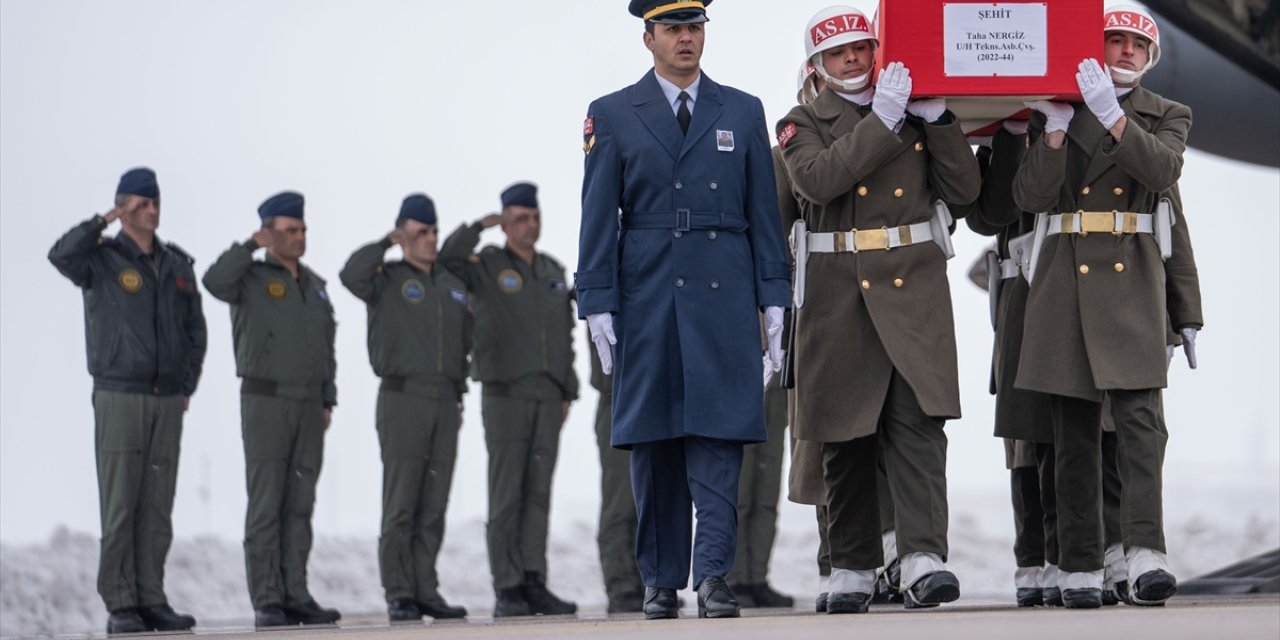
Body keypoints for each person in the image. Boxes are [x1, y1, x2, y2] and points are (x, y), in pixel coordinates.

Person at [576, 0, 792, 620]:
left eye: (694, 28)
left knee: (721, 437)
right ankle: (660, 579)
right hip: (645, 294)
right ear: (648, 38)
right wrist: (595, 301)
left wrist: (773, 297)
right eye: (672, 29)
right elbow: (598, 215)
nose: (685, 40)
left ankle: (714, 577)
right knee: (655, 443)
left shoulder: (743, 110)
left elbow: (763, 217)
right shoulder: (612, 114)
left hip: (722, 292)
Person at [777, 5, 981, 613]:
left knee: (919, 426)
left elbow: (966, 193)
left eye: (861, 50)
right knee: (845, 436)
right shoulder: (802, 122)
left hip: (912, 289)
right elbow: (818, 180)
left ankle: (922, 556)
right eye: (838, 54)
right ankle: (852, 565)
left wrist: (940, 120)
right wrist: (886, 119)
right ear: (817, 65)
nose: (853, 61)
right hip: (839, 296)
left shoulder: (916, 114)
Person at [1012, 3, 1193, 608]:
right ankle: (1082, 563)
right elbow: (1032, 196)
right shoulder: (1054, 109)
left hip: (1130, 275)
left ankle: (1145, 553)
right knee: (1073, 432)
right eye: (1114, 41)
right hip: (1064, 275)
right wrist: (1057, 131)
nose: (1125, 53)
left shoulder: (1166, 114)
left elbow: (1164, 171)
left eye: (1137, 47)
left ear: (1149, 59)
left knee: (1142, 425)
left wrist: (1112, 115)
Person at [49, 168, 207, 635]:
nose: (152, 211)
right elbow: (59, 255)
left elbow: (195, 332)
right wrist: (104, 219)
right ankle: (121, 603)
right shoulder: (100, 259)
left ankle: (151, 597)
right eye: (141, 203)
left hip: (166, 398)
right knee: (121, 503)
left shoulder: (177, 265)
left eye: (156, 203)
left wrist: (185, 386)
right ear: (123, 206)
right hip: (120, 395)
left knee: (157, 505)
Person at [438, 182, 579, 617]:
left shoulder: (552, 270)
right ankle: (508, 585)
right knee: (507, 494)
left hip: (547, 395)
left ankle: (534, 579)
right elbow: (447, 260)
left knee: (538, 493)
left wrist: (566, 389)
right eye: (520, 218)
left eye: (534, 217)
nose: (530, 225)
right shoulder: (486, 265)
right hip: (505, 394)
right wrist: (480, 226)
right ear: (505, 222)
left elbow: (563, 334)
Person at [202, 191, 341, 628]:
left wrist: (326, 398)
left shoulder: (315, 286)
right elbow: (213, 281)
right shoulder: (250, 277)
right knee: (267, 502)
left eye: (302, 230)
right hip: (266, 400)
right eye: (288, 230)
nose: (298, 237)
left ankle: (295, 593)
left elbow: (325, 348)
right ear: (268, 232)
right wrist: (249, 245)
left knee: (300, 504)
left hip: (307, 403)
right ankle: (268, 598)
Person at [338, 194, 471, 622]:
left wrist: (458, 395)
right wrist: (385, 243)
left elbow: (461, 344)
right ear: (403, 235)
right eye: (421, 233)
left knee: (433, 502)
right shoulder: (386, 278)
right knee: (402, 501)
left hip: (445, 400)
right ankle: (399, 591)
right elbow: (350, 273)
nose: (431, 239)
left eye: (433, 231)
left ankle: (425, 587)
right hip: (403, 399)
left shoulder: (451, 285)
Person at [588, 339, 647, 614]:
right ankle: (620, 584)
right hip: (617, 398)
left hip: (645, 397)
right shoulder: (607, 296)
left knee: (645, 500)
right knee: (620, 501)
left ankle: (644, 580)